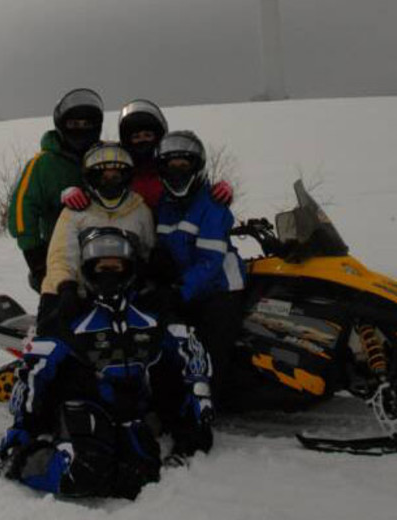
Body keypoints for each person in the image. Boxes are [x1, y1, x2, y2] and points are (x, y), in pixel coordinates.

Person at [0, 228, 214, 499]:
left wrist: (199, 400)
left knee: (139, 479)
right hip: (83, 404)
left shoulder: (148, 316)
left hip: (129, 411)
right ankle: (23, 464)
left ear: (129, 269)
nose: (109, 274)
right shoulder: (73, 317)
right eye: (101, 267)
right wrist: (21, 429)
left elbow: (189, 346)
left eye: (116, 266)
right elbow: (34, 369)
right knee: (85, 472)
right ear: (88, 270)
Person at [152, 130, 246, 406]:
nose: (178, 171)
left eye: (184, 165)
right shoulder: (165, 206)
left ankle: (208, 402)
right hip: (187, 286)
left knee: (210, 345)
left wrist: (180, 291)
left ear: (196, 166)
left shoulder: (212, 205)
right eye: (172, 165)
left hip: (220, 288)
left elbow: (210, 261)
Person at [38, 142, 155, 335]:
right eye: (103, 177)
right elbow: (60, 255)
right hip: (74, 292)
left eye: (116, 177)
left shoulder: (140, 211)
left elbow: (147, 250)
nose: (110, 182)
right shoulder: (76, 210)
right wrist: (66, 287)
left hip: (122, 293)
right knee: (52, 337)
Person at [8, 88, 104, 292]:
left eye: (87, 124)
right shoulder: (43, 164)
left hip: (109, 250)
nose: (81, 129)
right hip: (60, 253)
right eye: (74, 124)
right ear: (62, 125)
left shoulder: (105, 156)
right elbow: (21, 209)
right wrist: (35, 256)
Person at [61, 99, 233, 211]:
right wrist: (71, 193)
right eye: (136, 137)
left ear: (158, 136)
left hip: (170, 243)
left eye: (147, 135)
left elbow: (195, 191)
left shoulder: (170, 169)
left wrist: (219, 191)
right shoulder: (121, 169)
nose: (142, 141)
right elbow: (97, 185)